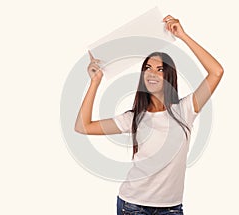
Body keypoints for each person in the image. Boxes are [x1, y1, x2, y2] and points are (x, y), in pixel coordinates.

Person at [75, 15, 224, 215]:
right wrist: (95, 81)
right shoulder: (133, 118)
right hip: (132, 205)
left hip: (171, 208)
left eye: (160, 69)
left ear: (169, 76)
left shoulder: (186, 110)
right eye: (148, 68)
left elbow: (216, 72)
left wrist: (183, 36)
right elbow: (83, 126)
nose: (152, 73)